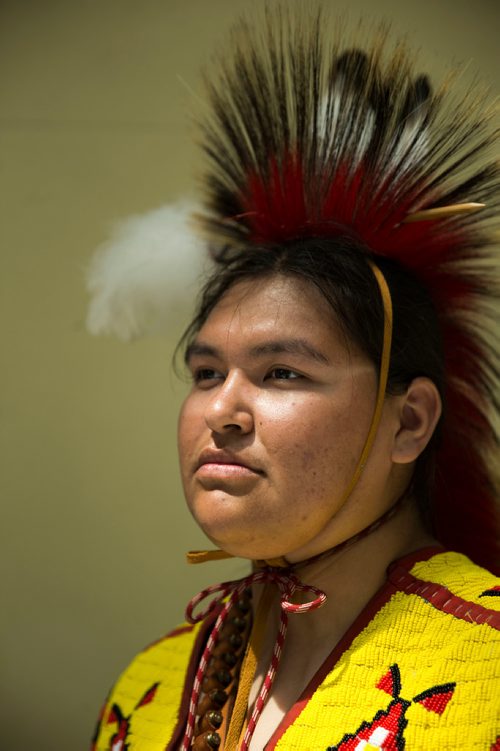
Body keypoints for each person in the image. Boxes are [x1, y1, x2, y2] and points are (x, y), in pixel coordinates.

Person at [90, 7, 500, 750]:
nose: (223, 410)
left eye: (281, 371)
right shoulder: (148, 688)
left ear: (409, 421)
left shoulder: (488, 665)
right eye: (206, 371)